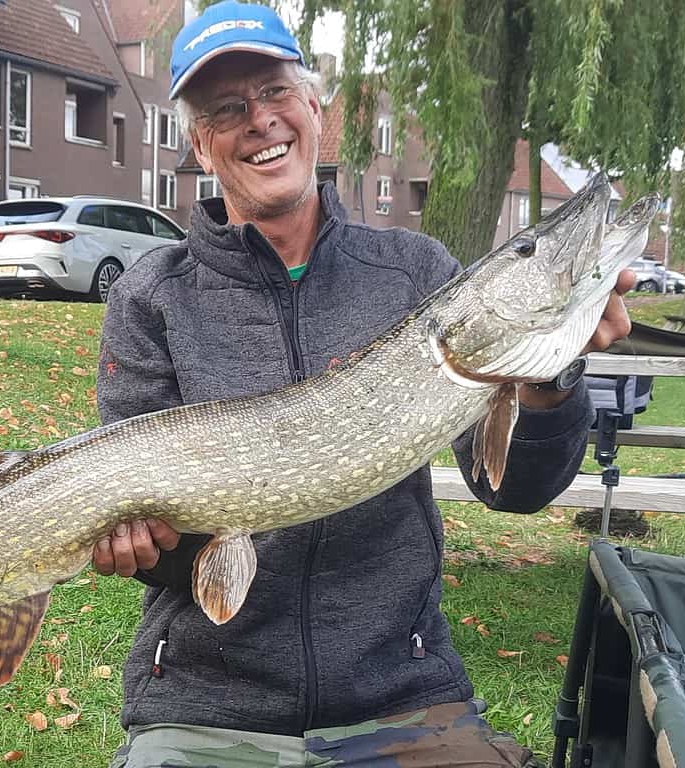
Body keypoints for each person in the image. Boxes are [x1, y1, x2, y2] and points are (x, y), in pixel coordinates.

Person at [93, 2, 635, 765]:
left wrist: (549, 377)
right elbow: (175, 557)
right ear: (200, 143)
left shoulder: (414, 272)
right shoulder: (152, 296)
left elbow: (514, 489)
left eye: (277, 93)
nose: (260, 121)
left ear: (315, 109)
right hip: (207, 699)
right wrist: (151, 545)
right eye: (227, 108)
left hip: (402, 693)